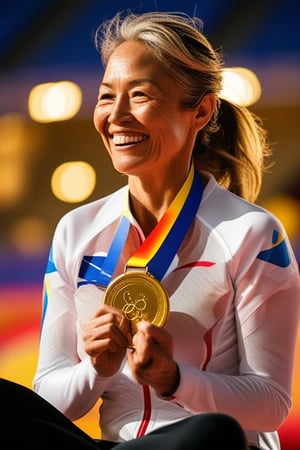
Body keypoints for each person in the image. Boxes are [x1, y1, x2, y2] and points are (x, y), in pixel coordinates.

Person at [2, 10, 299, 450]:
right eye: (106, 96)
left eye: (139, 95)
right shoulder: (76, 230)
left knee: (209, 434)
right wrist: (95, 369)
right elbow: (50, 396)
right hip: (116, 447)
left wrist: (174, 379)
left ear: (200, 111)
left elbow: (272, 404)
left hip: (201, 445)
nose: (116, 115)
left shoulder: (252, 233)